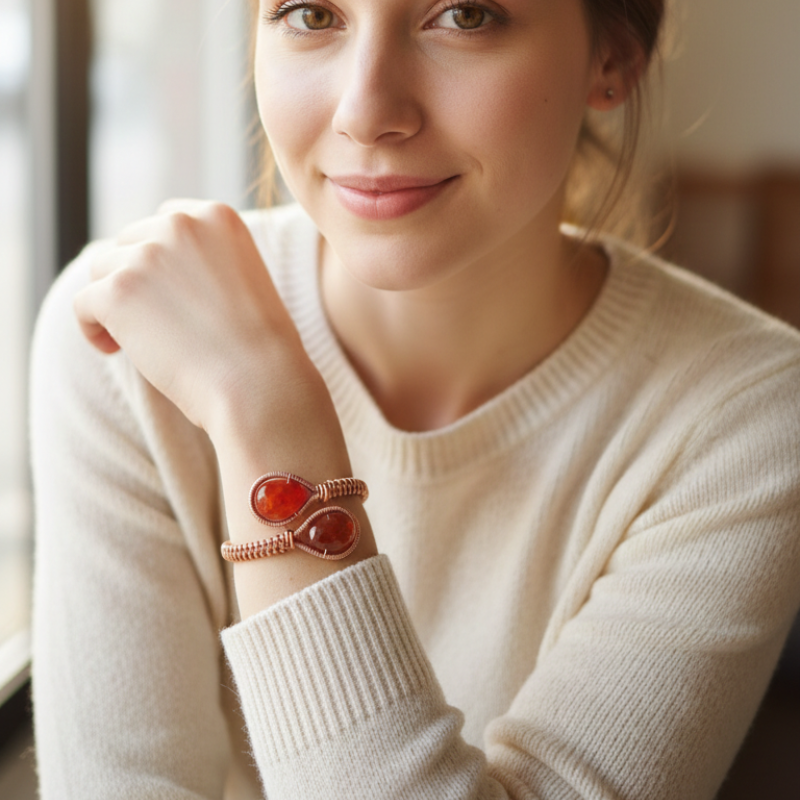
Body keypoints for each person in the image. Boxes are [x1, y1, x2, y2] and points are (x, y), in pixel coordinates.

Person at [30, 0, 800, 798]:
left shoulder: (747, 418)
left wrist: (270, 425)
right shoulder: (132, 332)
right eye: (309, 13)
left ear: (612, 60)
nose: (366, 113)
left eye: (464, 16)